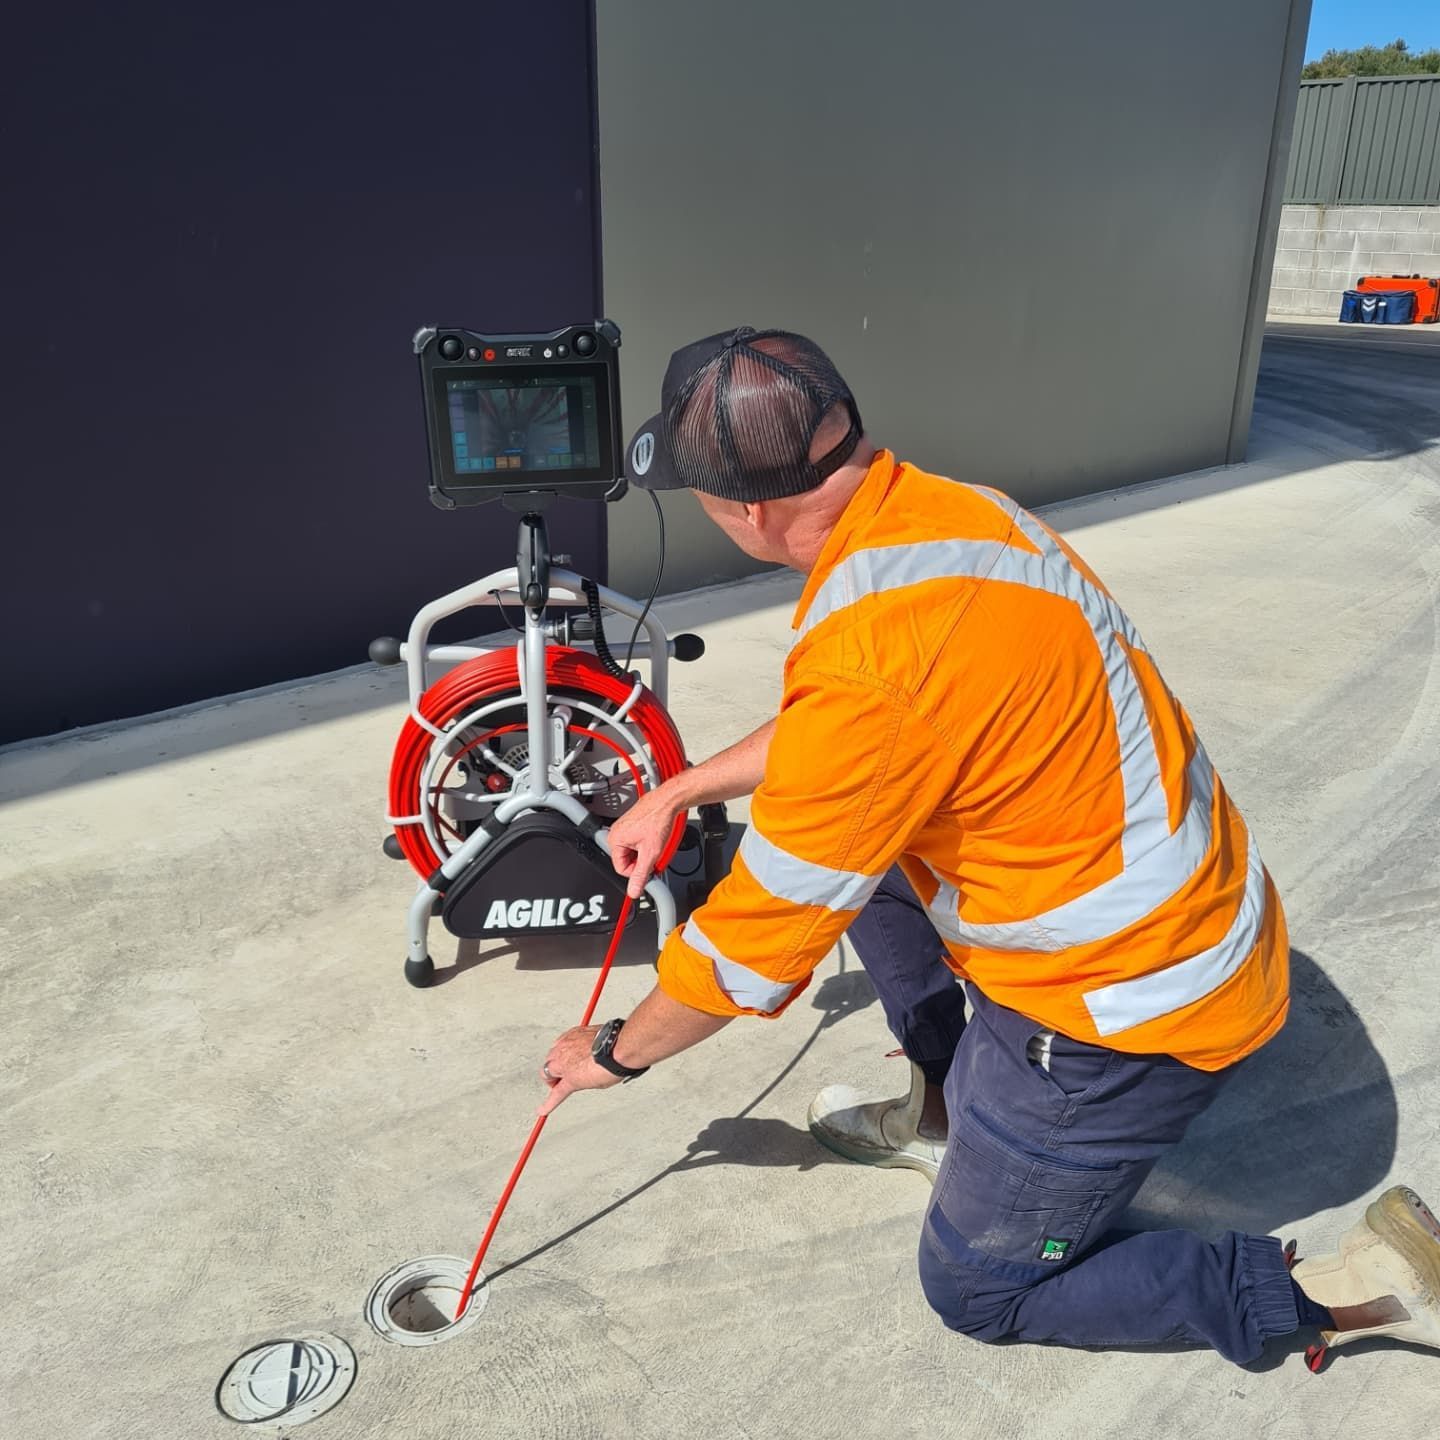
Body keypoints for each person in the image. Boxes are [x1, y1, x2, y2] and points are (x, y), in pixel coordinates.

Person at [538, 325, 1440, 1369]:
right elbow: (869, 737)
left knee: (977, 1286)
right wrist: (684, 787)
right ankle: (946, 1109)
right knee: (864, 866)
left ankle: (1352, 1293)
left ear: (745, 508)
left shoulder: (875, 652)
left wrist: (614, 1052)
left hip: (1119, 1017)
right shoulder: (947, 515)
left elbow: (748, 948)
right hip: (1184, 923)